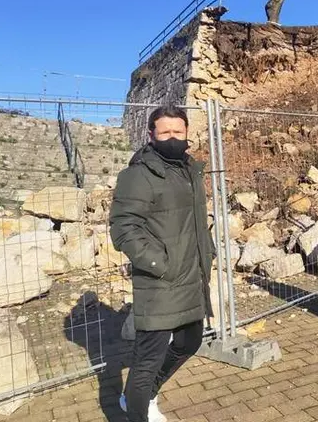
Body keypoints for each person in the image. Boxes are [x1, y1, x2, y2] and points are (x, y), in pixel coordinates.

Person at [110, 105, 214, 422]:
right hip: (160, 281)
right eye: (165, 132)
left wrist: (206, 250)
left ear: (186, 133)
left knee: (189, 341)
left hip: (191, 278)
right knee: (147, 361)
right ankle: (136, 406)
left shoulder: (188, 169)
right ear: (151, 134)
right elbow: (123, 227)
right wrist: (160, 263)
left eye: (178, 132)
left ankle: (143, 395)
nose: (172, 138)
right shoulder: (138, 174)